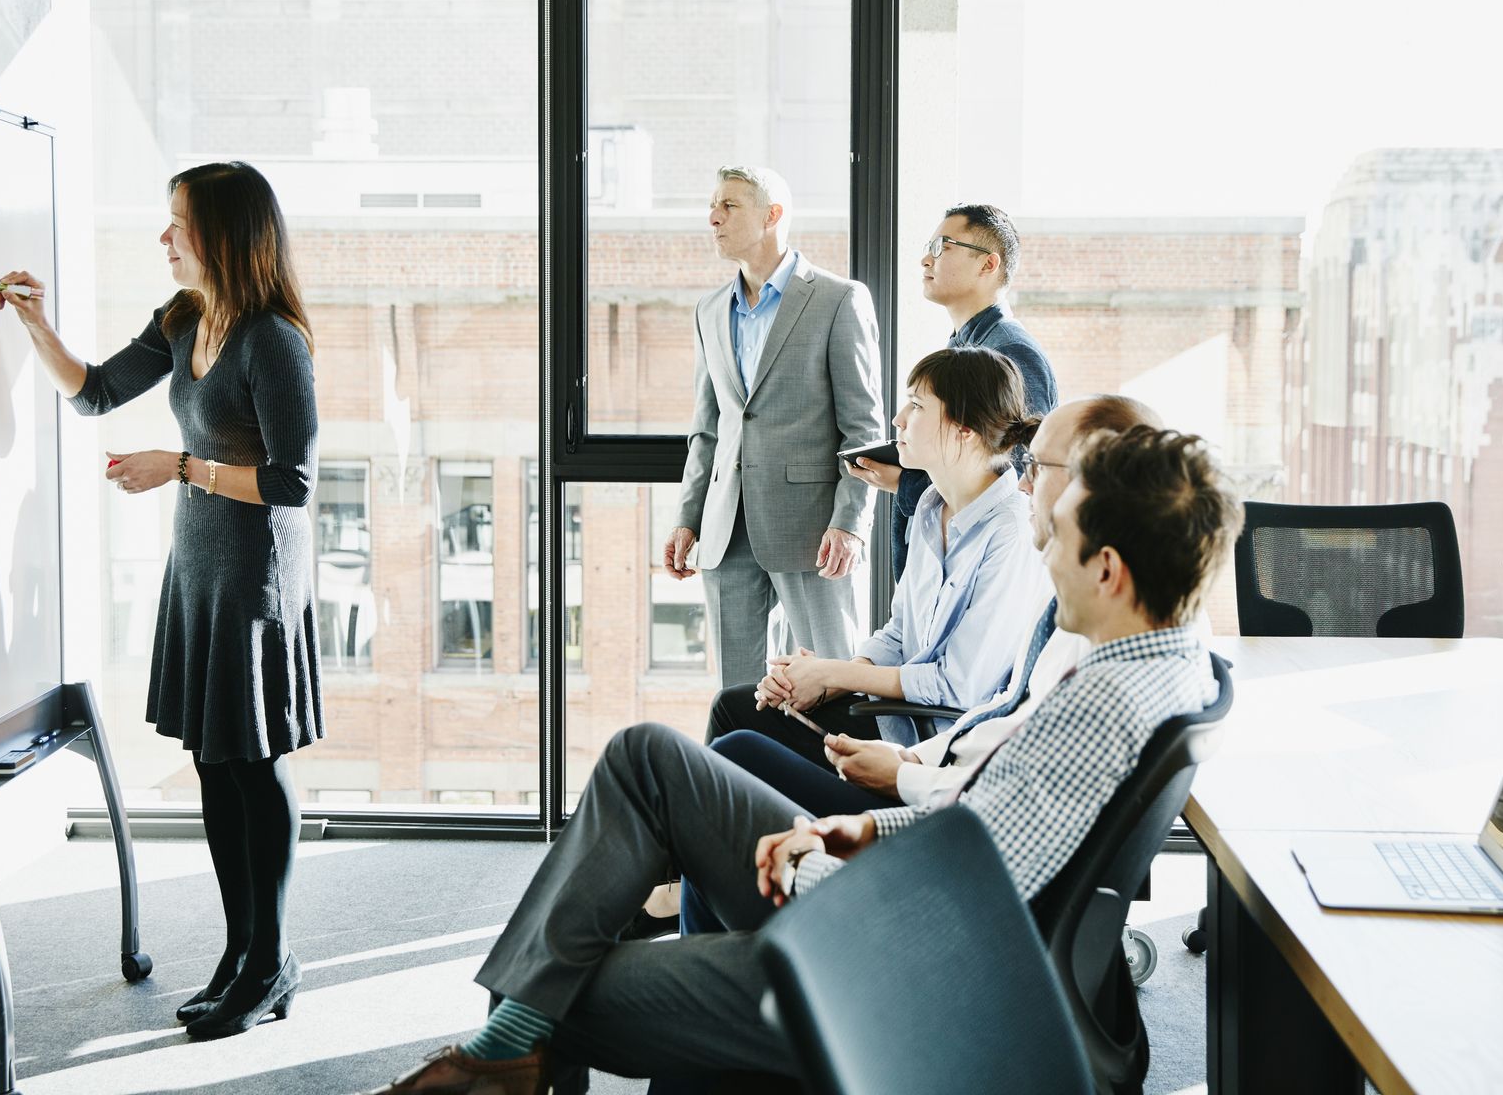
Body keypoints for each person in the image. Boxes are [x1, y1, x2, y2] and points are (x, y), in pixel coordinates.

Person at [361, 425, 1240, 1094]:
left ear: (1112, 570)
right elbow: (986, 839)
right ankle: (508, 1050)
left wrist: (830, 861)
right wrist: (856, 827)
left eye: (1062, 538)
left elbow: (971, 891)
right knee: (648, 758)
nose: (1044, 551)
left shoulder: (1101, 707)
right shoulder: (1171, 665)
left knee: (560, 986)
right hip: (910, 911)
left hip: (891, 972)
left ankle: (503, 1052)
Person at [0, 161, 319, 1040]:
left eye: (179, 223)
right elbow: (96, 391)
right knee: (215, 763)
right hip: (200, 570)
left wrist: (178, 467)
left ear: (225, 234)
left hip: (257, 574)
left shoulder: (272, 341)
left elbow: (292, 482)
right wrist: (35, 321)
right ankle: (240, 950)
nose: (164, 238)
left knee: (254, 765)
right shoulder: (182, 320)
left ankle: (271, 958)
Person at [706, 394, 1162, 825]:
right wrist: (839, 687)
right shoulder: (935, 514)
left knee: (724, 755)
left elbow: (1002, 777)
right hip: (931, 757)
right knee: (733, 726)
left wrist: (898, 769)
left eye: (1039, 468)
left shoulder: (1098, 641)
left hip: (932, 793)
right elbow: (1000, 712)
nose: (1024, 482)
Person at [704, 345, 1047, 771]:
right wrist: (829, 684)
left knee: (738, 736)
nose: (899, 418)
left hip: (933, 753)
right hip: (892, 719)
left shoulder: (1011, 533)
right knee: (736, 708)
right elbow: (899, 635)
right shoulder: (929, 506)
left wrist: (835, 675)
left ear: (964, 430)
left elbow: (959, 687)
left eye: (918, 405)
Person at [662, 166, 885, 690]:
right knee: (738, 693)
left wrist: (851, 521)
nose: (713, 218)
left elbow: (863, 427)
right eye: (711, 207)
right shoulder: (711, 309)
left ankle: (828, 775)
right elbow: (708, 428)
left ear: (772, 215)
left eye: (729, 206)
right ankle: (741, 775)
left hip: (813, 532)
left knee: (829, 681)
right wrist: (687, 517)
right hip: (724, 529)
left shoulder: (838, 300)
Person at [848, 204, 1057, 580]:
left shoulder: (1011, 352)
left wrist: (904, 481)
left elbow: (1015, 473)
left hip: (977, 570)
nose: (926, 259)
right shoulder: (965, 345)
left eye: (943, 246)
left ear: (988, 265)